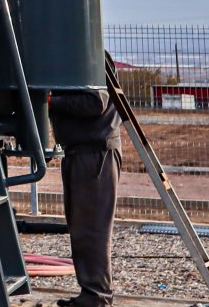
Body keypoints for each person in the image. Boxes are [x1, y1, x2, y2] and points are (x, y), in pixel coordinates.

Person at [49, 88, 123, 307]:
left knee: (92, 230)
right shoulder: (79, 66)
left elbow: (95, 103)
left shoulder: (90, 66)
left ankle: (97, 298)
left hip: (94, 154)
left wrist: (50, 100)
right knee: (83, 229)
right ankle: (92, 295)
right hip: (84, 152)